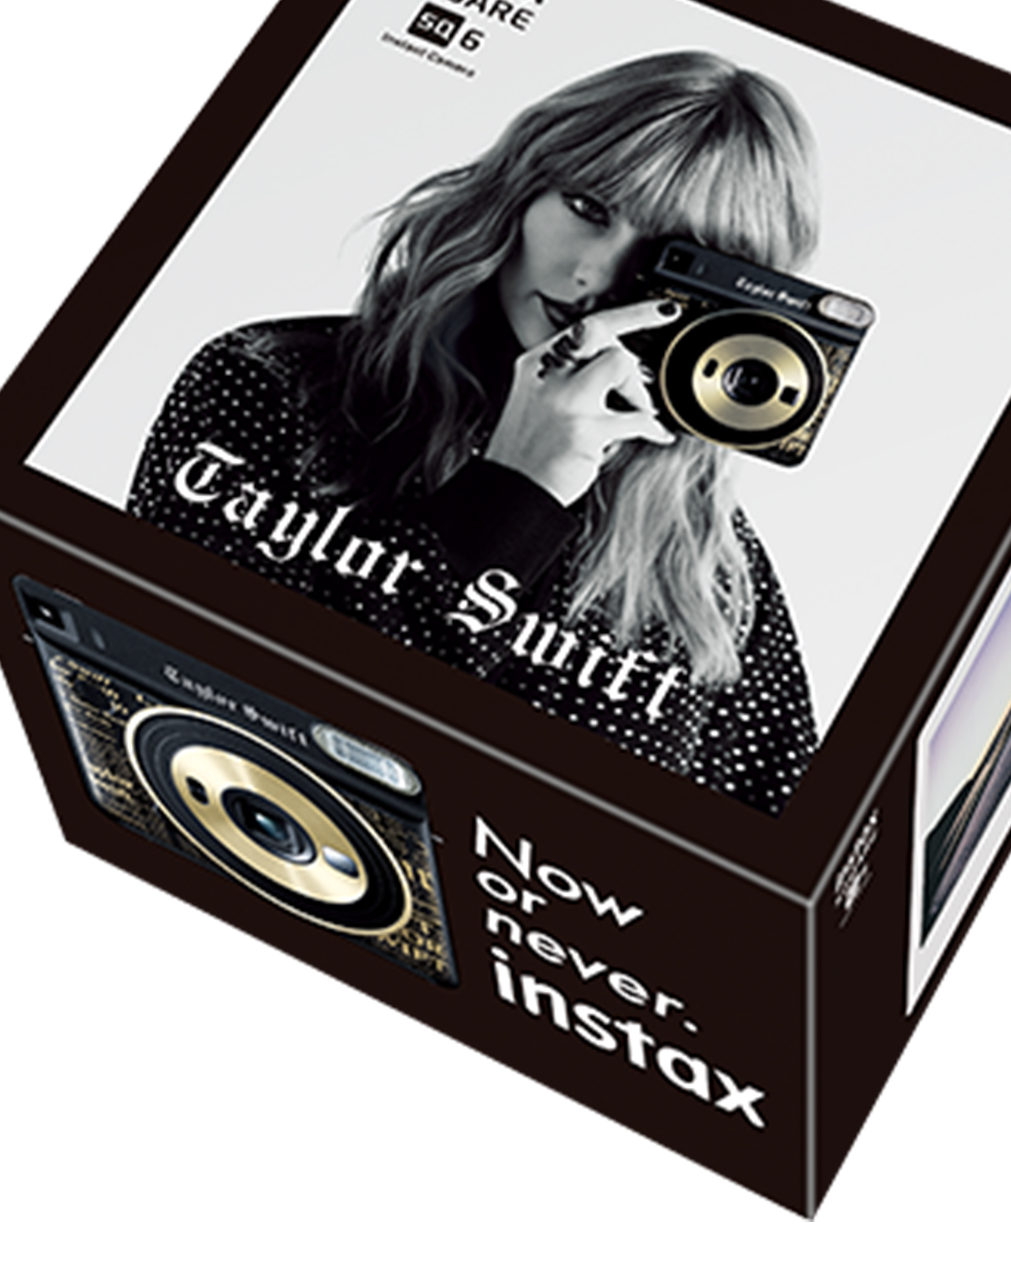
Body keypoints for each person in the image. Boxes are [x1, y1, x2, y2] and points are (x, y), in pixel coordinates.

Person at [128, 51, 823, 814]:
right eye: (588, 207)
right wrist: (514, 496)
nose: (596, 276)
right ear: (521, 190)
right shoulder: (269, 383)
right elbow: (187, 702)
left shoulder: (711, 568)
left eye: (669, 258)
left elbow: (774, 850)